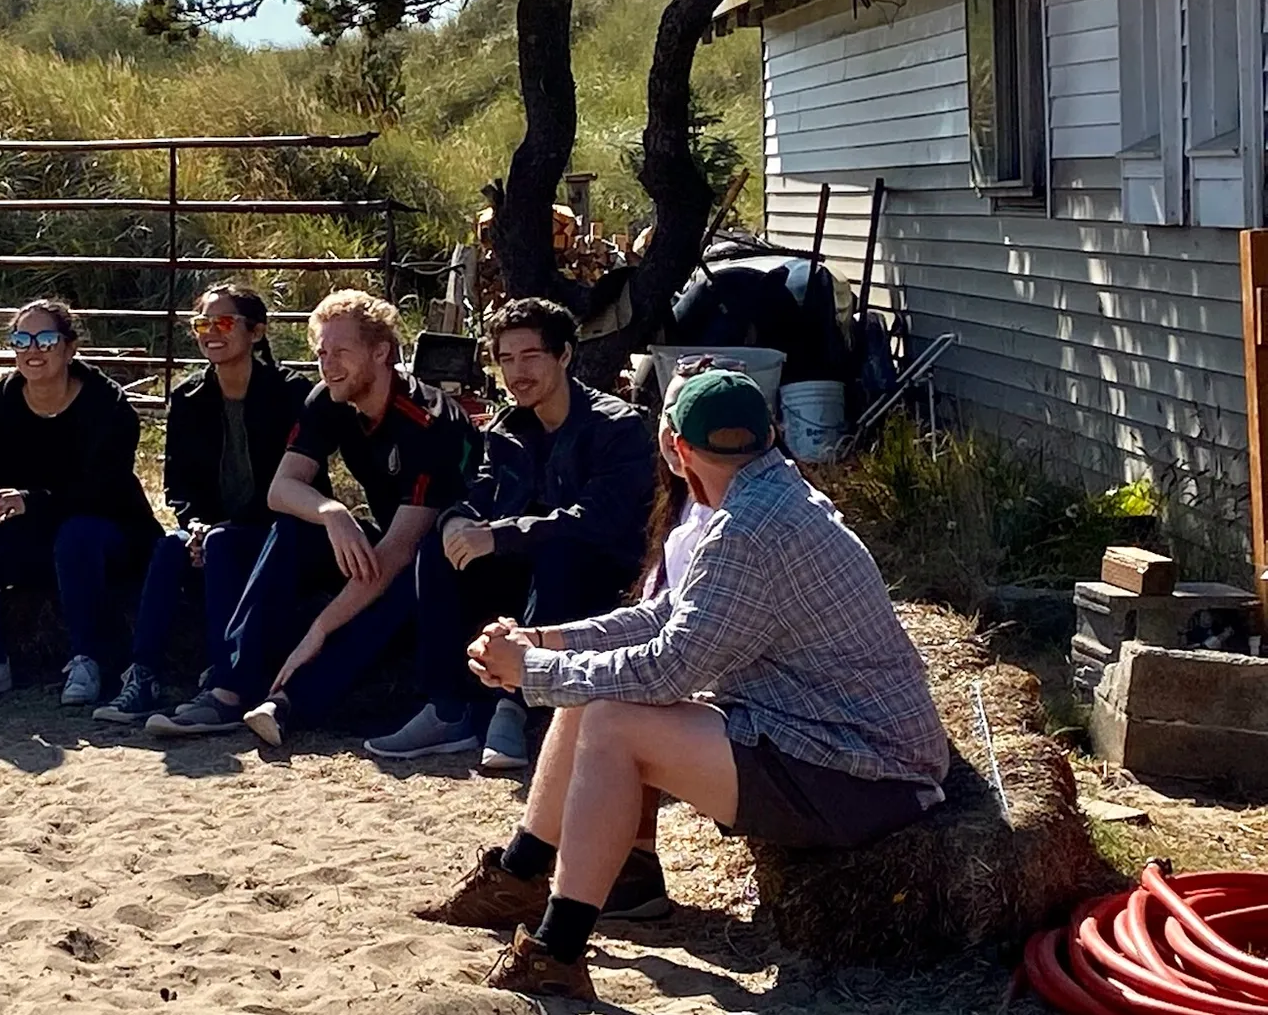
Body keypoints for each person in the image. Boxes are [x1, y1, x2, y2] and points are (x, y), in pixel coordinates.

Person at [416, 370, 950, 1001]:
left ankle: (555, 951)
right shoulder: (771, 495)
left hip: (868, 774)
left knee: (612, 720)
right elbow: (667, 617)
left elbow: (667, 670)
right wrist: (544, 641)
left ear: (673, 445)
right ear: (770, 435)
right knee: (596, 700)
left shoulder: (746, 529)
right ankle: (524, 873)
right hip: (832, 739)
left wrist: (530, 673)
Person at [147, 289, 479, 745]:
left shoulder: (427, 421)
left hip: (449, 556)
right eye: (322, 352)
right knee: (276, 531)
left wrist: (319, 628)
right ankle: (230, 689)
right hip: (386, 534)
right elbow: (281, 490)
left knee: (400, 583)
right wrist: (331, 510)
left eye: (341, 352)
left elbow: (400, 550)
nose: (328, 364)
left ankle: (289, 703)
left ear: (381, 352)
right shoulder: (330, 397)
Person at [366, 298, 655, 770]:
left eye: (530, 356)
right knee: (439, 549)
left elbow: (600, 520)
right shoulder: (508, 427)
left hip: (599, 580)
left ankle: (515, 710)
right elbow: (481, 488)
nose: (516, 372)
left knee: (561, 551)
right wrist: (457, 519)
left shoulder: (615, 426)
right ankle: (446, 709)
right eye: (505, 359)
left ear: (563, 356)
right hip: (526, 572)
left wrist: (499, 535)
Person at [93, 285, 312, 724]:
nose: (211, 333)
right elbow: (178, 485)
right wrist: (195, 523)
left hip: (277, 530)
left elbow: (297, 482)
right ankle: (143, 676)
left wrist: (218, 528)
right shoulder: (189, 398)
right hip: (212, 529)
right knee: (170, 547)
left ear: (257, 332)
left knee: (224, 544)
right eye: (202, 324)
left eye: (225, 322)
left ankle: (223, 679)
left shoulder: (291, 394)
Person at [0, 300, 160, 706]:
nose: (32, 350)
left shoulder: (106, 405)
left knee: (77, 534)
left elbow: (104, 489)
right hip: (29, 537)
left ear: (70, 348)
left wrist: (33, 502)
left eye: (46, 339)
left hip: (107, 535)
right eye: (22, 340)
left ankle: (86, 659)